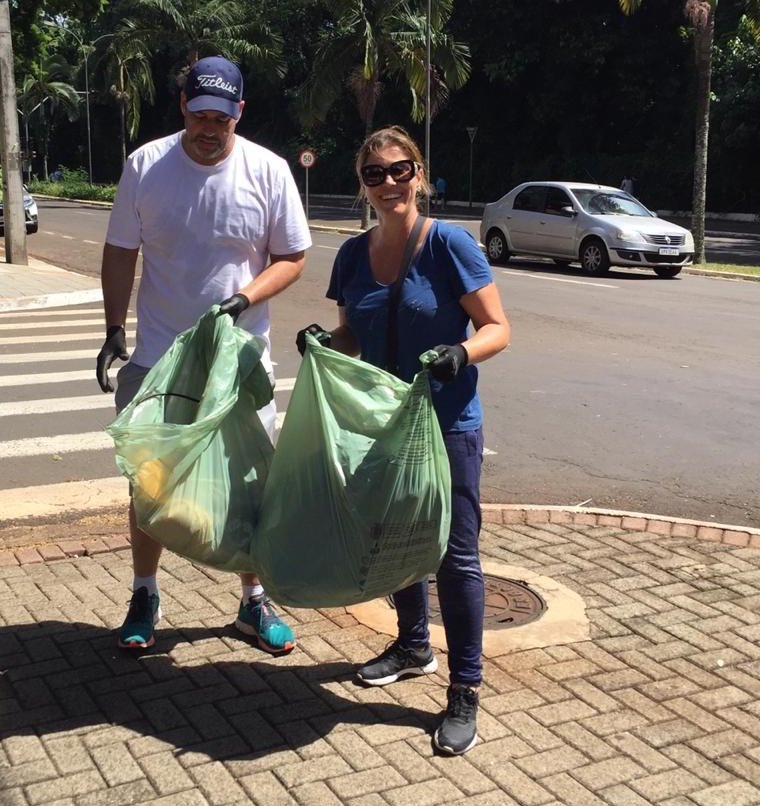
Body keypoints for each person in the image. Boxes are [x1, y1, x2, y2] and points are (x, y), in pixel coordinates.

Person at [295, 126, 510, 756]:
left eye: (399, 170)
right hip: (384, 425)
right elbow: (353, 336)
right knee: (395, 541)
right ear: (361, 185)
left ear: (419, 173)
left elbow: (497, 327)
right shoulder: (351, 256)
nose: (388, 183)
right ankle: (414, 644)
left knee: (455, 557)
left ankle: (465, 688)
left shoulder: (449, 244)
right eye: (374, 174)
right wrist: (322, 342)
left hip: (448, 426)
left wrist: (461, 352)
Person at [96, 55, 312, 655]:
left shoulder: (268, 171)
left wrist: (245, 298)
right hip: (158, 357)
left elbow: (293, 257)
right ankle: (144, 593)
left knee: (251, 483)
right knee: (148, 482)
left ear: (239, 112)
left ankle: (253, 601)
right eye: (199, 116)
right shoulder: (146, 165)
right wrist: (113, 327)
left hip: (239, 361)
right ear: (182, 108)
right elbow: (120, 251)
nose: (209, 129)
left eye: (222, 118)